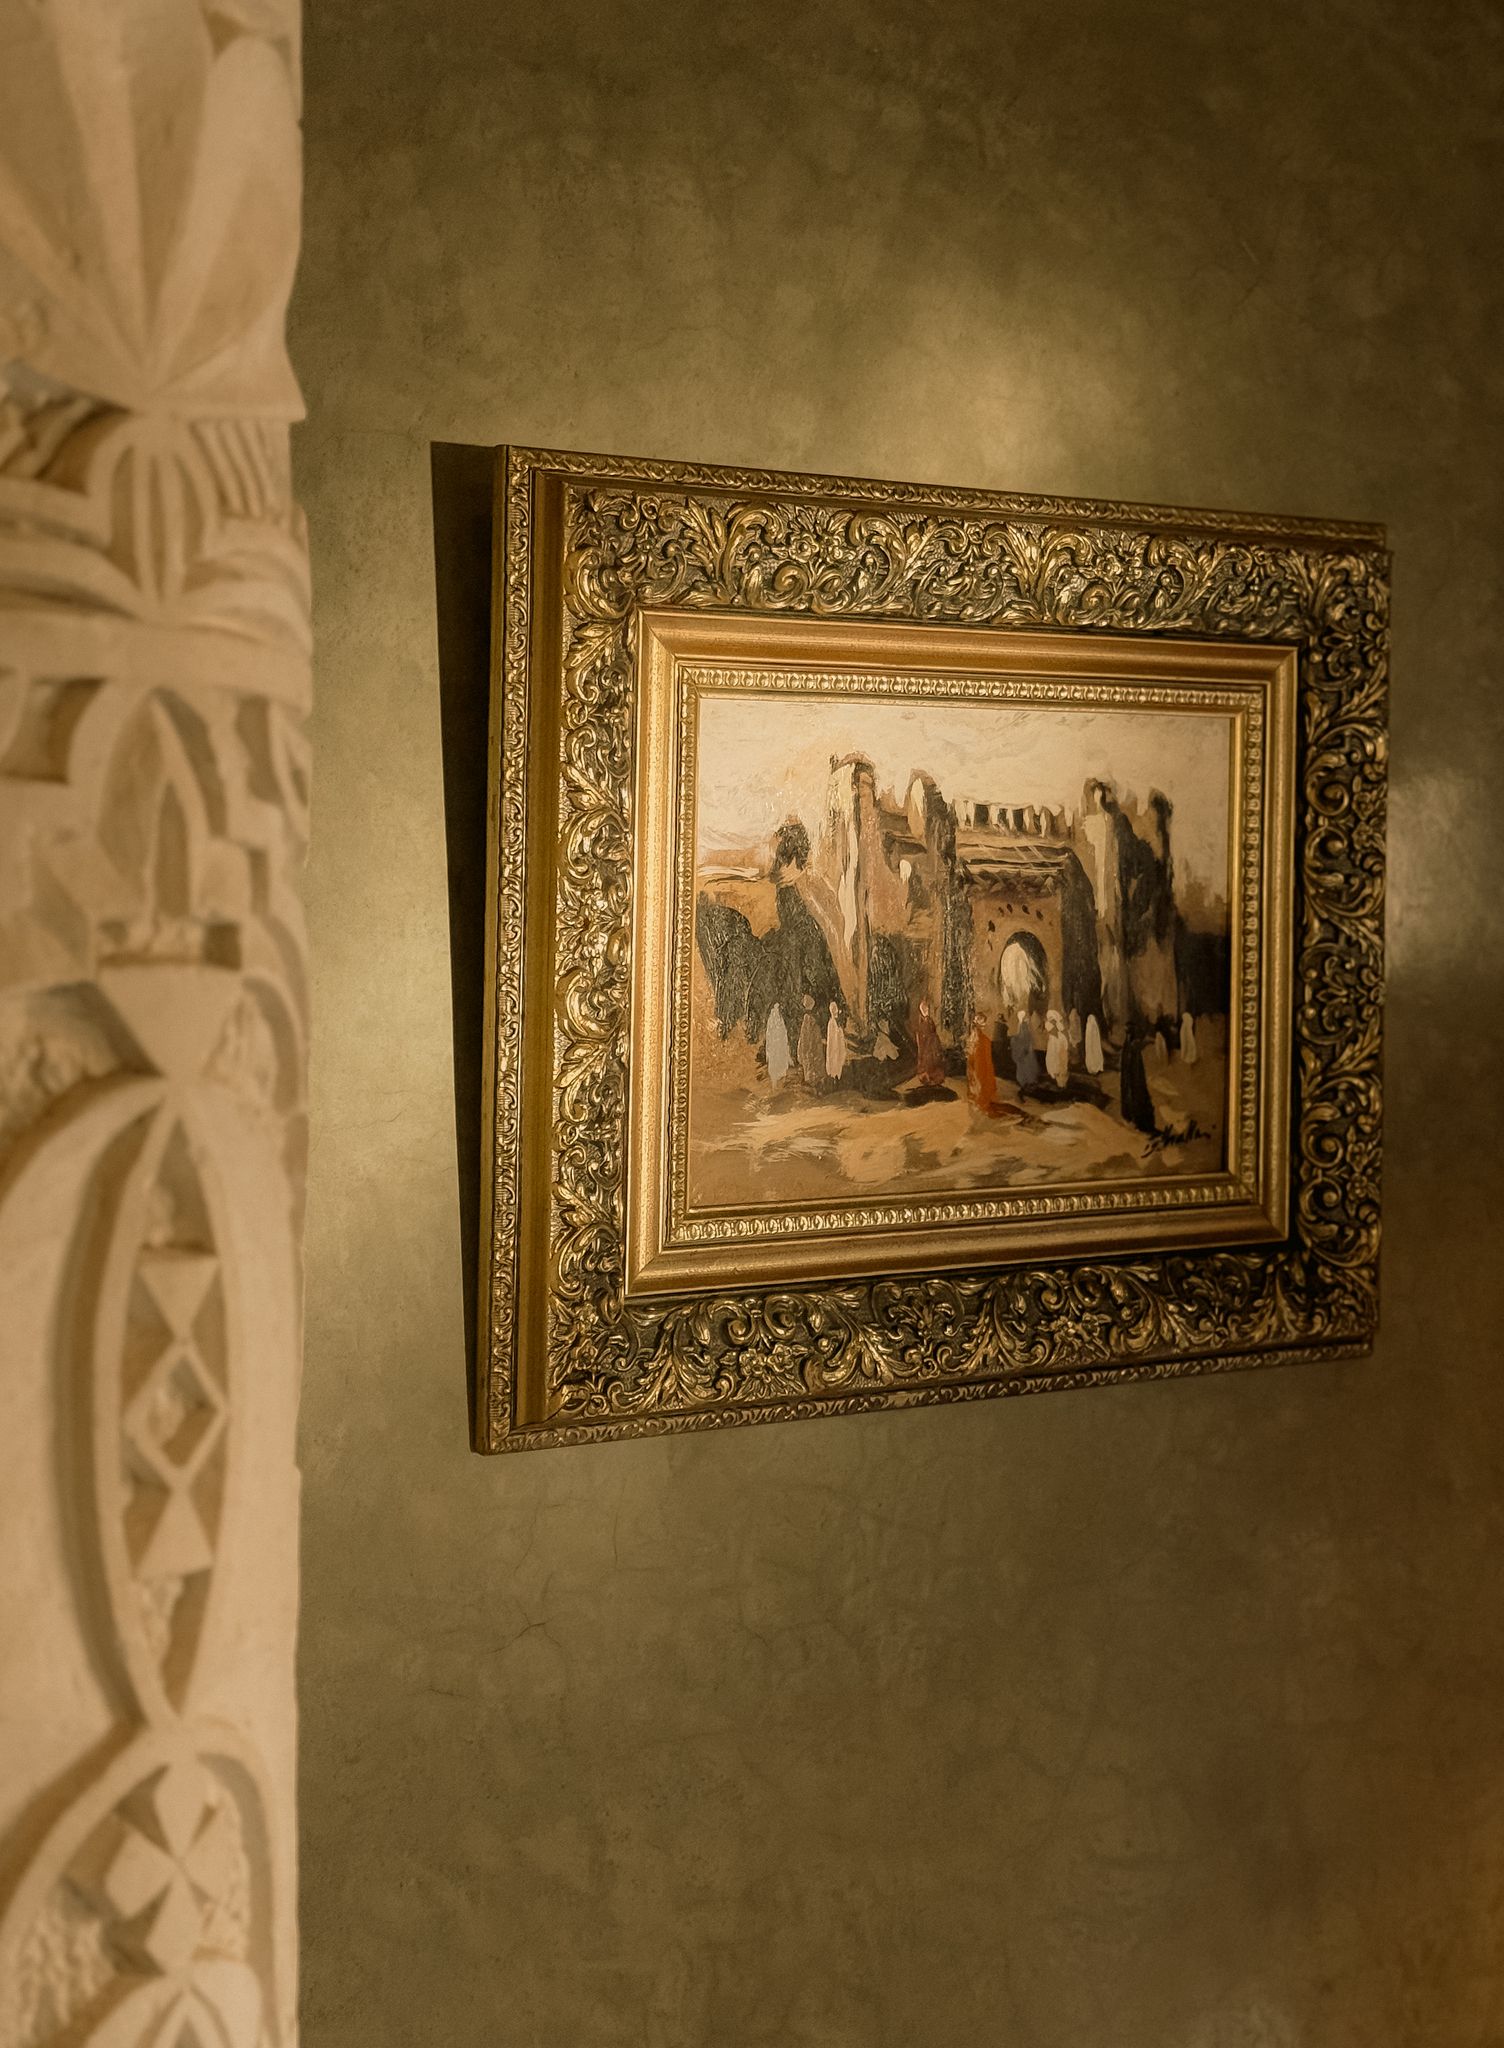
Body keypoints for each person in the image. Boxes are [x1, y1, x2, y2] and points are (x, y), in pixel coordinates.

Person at [1118, 1026, 1158, 1136]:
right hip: (1135, 1081)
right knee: (1138, 1098)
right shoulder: (1131, 1047)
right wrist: (1148, 1041)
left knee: (1134, 1097)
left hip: (1133, 1080)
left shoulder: (1127, 1046)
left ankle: (1134, 1119)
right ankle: (1141, 1124)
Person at [913, 998, 945, 1086]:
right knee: (926, 1061)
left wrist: (935, 1040)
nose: (926, 1010)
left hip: (932, 1044)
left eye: (927, 1008)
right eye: (924, 1009)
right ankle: (926, 1077)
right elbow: (920, 1034)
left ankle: (934, 1077)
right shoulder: (921, 1022)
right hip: (926, 1045)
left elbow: (933, 1031)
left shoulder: (930, 1020)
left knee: (934, 1060)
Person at [797, 993, 824, 1088]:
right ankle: (811, 1080)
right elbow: (806, 1035)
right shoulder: (808, 1019)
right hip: (810, 1044)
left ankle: (812, 1080)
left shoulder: (809, 1018)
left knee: (812, 1061)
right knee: (810, 1061)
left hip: (812, 1044)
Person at [1011, 1008, 1041, 1090]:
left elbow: (1026, 1038)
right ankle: (1025, 1083)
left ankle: (1028, 1082)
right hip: (1023, 1049)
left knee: (1027, 1066)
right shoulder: (1022, 1025)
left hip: (1026, 1049)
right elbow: (1021, 1037)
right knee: (1024, 1066)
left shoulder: (1024, 1025)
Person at [765, 1003, 791, 1085]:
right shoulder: (771, 1020)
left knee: (781, 1063)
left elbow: (784, 1034)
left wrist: (785, 1046)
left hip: (780, 1046)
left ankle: (781, 1083)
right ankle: (774, 1084)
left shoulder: (780, 1020)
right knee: (774, 1066)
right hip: (774, 1046)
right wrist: (768, 1049)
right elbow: (769, 1035)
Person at [1045, 1009, 1069, 1088]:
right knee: (1053, 1058)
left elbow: (1063, 1034)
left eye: (1053, 1019)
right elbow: (1052, 1032)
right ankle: (1056, 1075)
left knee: (1061, 1061)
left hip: (1059, 1044)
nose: (1053, 1021)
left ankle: (1062, 1080)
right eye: (1051, 1019)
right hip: (1053, 1043)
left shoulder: (1059, 1027)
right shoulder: (1048, 1025)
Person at [825, 1000, 847, 1085]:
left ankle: (837, 1078)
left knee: (839, 1061)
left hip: (838, 1045)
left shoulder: (836, 1022)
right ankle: (834, 1078)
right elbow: (832, 1038)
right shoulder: (831, 1023)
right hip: (834, 1046)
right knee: (834, 1061)